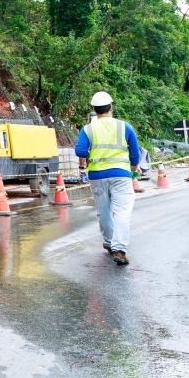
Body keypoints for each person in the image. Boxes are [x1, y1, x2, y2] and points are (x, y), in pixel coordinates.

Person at [75, 91, 141, 265]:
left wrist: (91, 155)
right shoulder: (124, 126)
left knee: (103, 210)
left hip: (96, 175)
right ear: (111, 107)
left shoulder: (88, 128)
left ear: (94, 110)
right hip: (120, 174)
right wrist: (133, 169)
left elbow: (80, 151)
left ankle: (108, 242)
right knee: (122, 211)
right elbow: (135, 154)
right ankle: (119, 249)